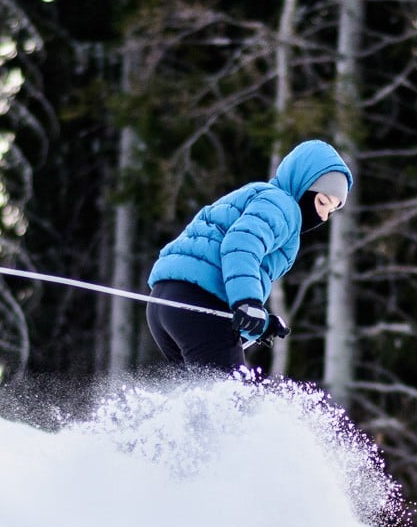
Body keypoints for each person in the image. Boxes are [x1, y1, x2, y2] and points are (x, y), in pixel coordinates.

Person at [146, 139, 353, 371]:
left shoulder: (262, 198)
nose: (324, 216)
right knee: (232, 400)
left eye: (332, 210)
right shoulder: (282, 204)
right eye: (322, 202)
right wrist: (249, 302)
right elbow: (241, 245)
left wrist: (260, 323)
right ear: (302, 185)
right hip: (198, 302)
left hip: (165, 301)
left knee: (203, 399)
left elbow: (231, 266)